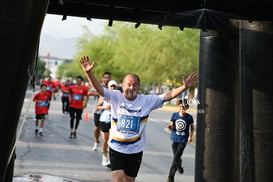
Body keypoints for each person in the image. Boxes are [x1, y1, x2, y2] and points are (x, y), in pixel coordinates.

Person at [79, 56, 198, 182]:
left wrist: (184, 87)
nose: (131, 87)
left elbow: (167, 96)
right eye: (128, 85)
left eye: (134, 85)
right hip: (116, 148)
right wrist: (88, 73)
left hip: (135, 150)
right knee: (118, 179)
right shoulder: (115, 97)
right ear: (123, 85)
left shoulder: (146, 101)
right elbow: (99, 88)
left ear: (139, 86)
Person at [166, 98, 194, 182]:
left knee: (175, 158)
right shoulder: (174, 115)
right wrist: (170, 127)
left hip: (183, 140)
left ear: (187, 107)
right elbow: (171, 125)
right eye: (181, 106)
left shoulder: (189, 117)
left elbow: (192, 128)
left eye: (184, 107)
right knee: (176, 157)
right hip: (174, 139)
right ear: (179, 106)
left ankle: (170, 178)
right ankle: (179, 166)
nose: (182, 108)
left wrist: (190, 136)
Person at [96, 80, 118, 167]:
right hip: (104, 119)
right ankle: (104, 158)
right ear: (108, 87)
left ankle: (111, 159)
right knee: (105, 140)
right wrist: (105, 107)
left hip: (114, 121)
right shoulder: (103, 96)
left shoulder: (118, 97)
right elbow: (97, 107)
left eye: (114, 86)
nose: (112, 88)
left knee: (112, 140)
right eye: (111, 86)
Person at [92, 71, 112, 151]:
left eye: (108, 78)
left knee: (107, 130)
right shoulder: (98, 86)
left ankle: (105, 144)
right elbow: (89, 92)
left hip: (108, 112)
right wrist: (101, 93)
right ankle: (96, 142)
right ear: (102, 78)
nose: (107, 79)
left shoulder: (112, 87)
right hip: (98, 111)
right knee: (97, 128)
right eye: (105, 77)